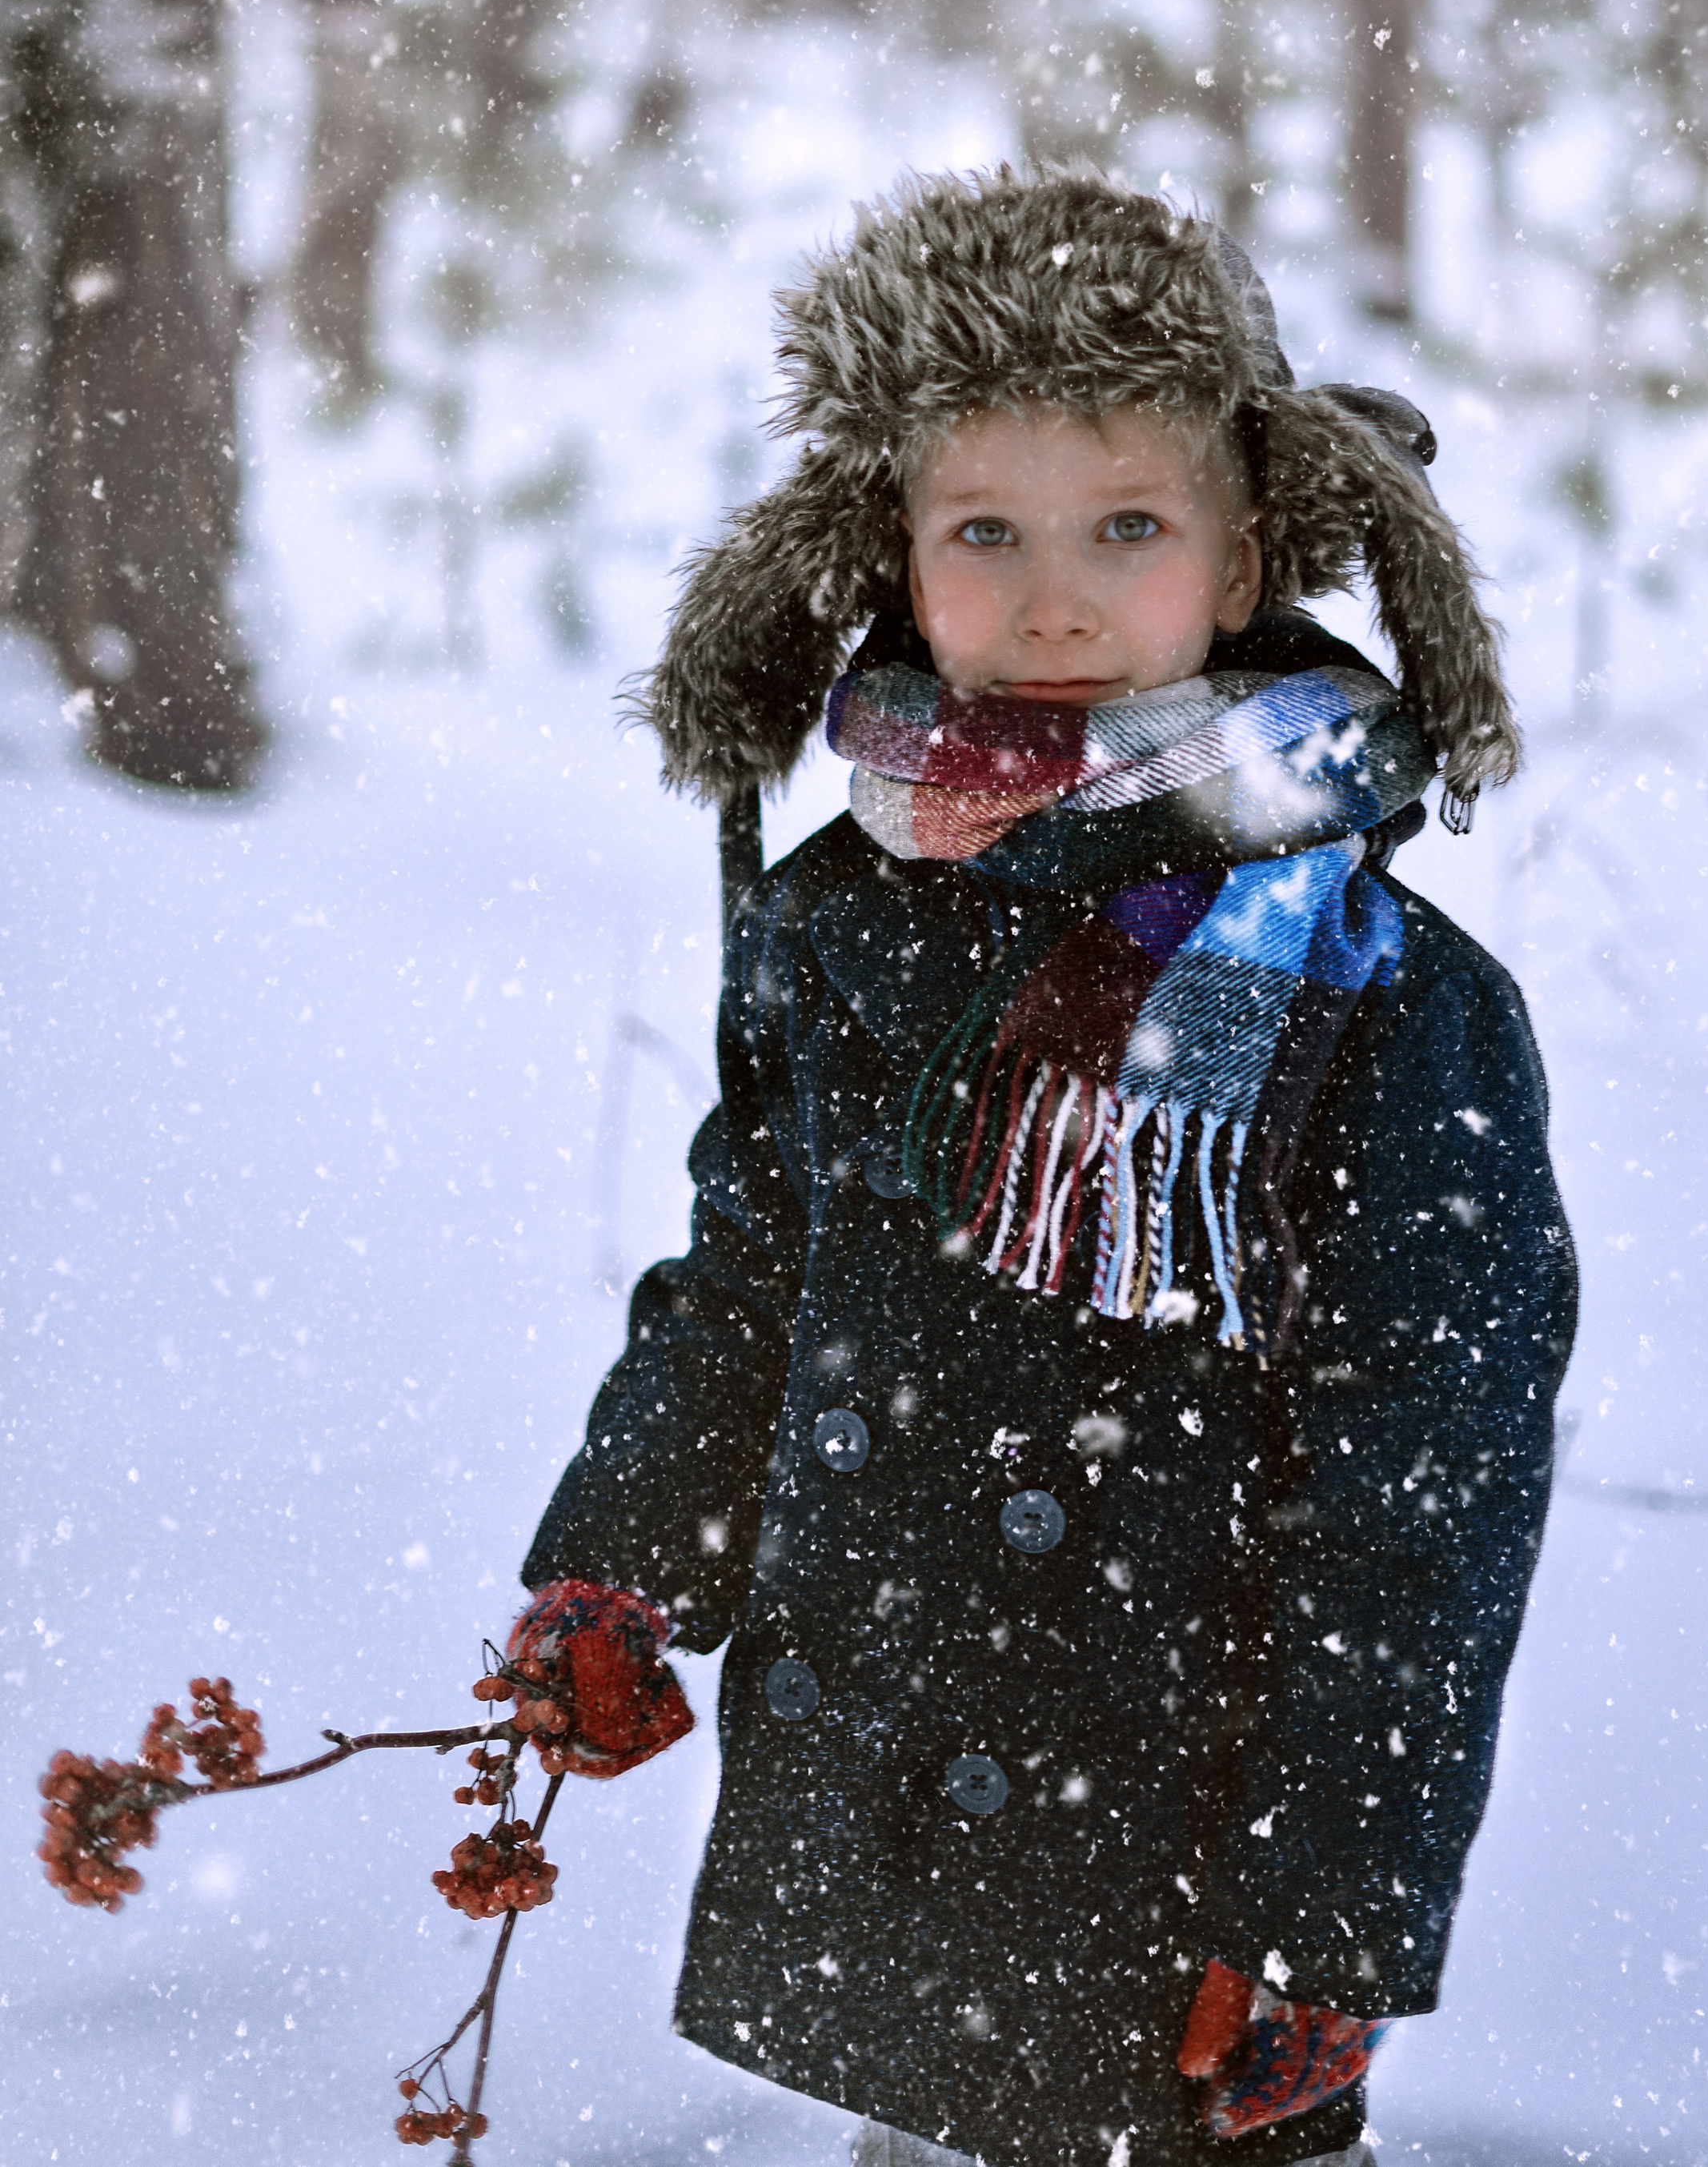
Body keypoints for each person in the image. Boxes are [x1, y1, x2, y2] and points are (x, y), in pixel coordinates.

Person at [503, 169, 1579, 2167]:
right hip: (898, 1764)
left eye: (1126, 528)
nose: (1053, 594)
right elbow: (757, 1273)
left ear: (1242, 547)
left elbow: (1416, 1492)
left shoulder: (1373, 991)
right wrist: (621, 1564)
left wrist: (1323, 1911)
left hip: (1178, 1824)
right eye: (982, 530)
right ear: (892, 559)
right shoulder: (843, 917)